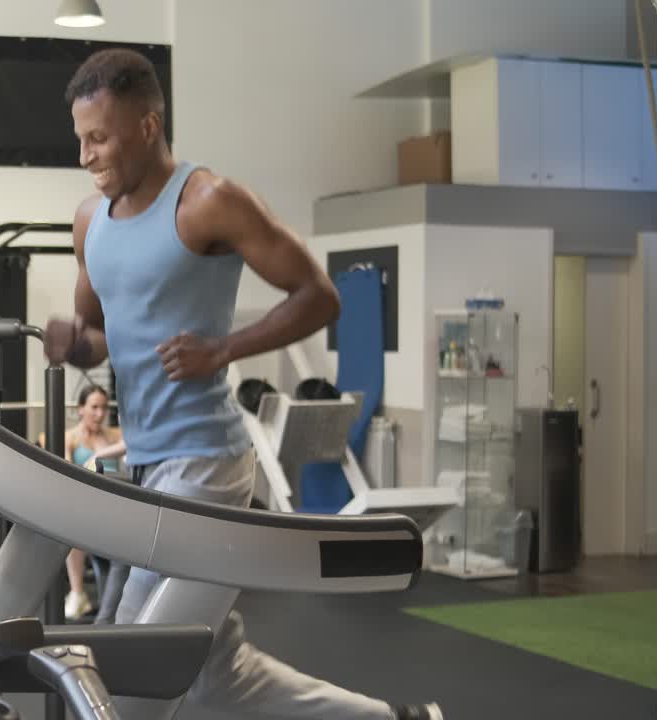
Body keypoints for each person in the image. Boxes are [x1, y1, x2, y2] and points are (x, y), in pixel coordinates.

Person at [44, 48, 443, 720]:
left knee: (134, 656)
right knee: (216, 675)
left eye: (99, 138)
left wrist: (223, 350)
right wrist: (71, 343)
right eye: (80, 139)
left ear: (147, 126)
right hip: (147, 464)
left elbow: (318, 296)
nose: (85, 155)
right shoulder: (91, 221)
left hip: (205, 464)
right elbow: (101, 335)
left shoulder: (209, 202)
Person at [62, 384, 126, 620]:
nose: (100, 414)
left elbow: (135, 442)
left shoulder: (113, 435)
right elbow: (65, 470)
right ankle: (77, 592)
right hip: (85, 505)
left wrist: (99, 454)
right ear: (81, 409)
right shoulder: (70, 437)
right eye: (94, 407)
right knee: (72, 526)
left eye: (104, 408)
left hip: (116, 505)